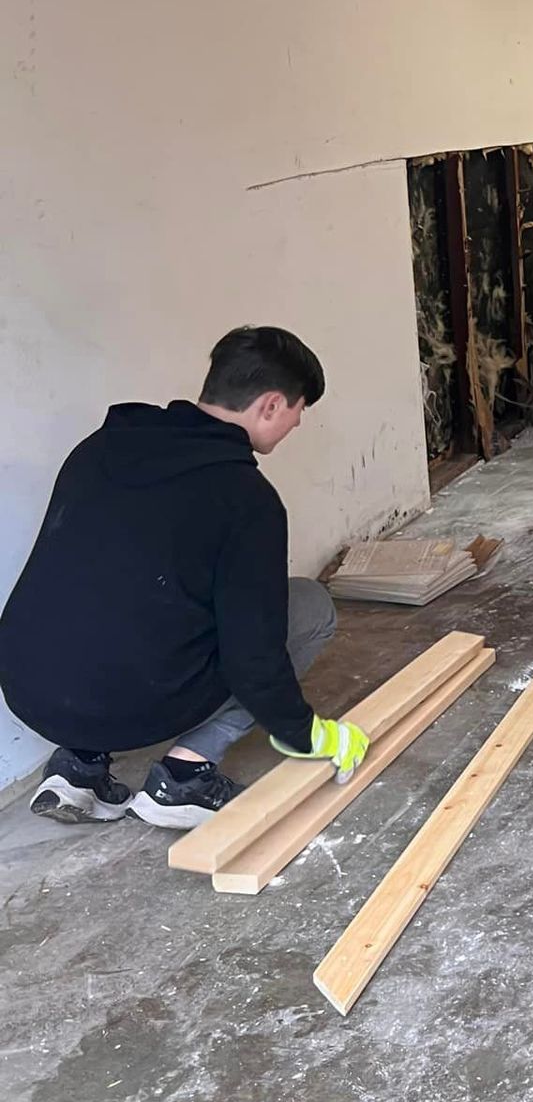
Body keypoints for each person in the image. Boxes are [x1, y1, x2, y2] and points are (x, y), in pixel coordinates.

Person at [0, 327, 371, 830]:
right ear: (270, 405)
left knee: (117, 604)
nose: (299, 422)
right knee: (309, 606)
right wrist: (307, 734)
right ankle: (184, 778)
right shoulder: (245, 498)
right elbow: (254, 658)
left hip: (29, 688)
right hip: (130, 698)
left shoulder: (101, 447)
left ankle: (78, 766)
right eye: (298, 409)